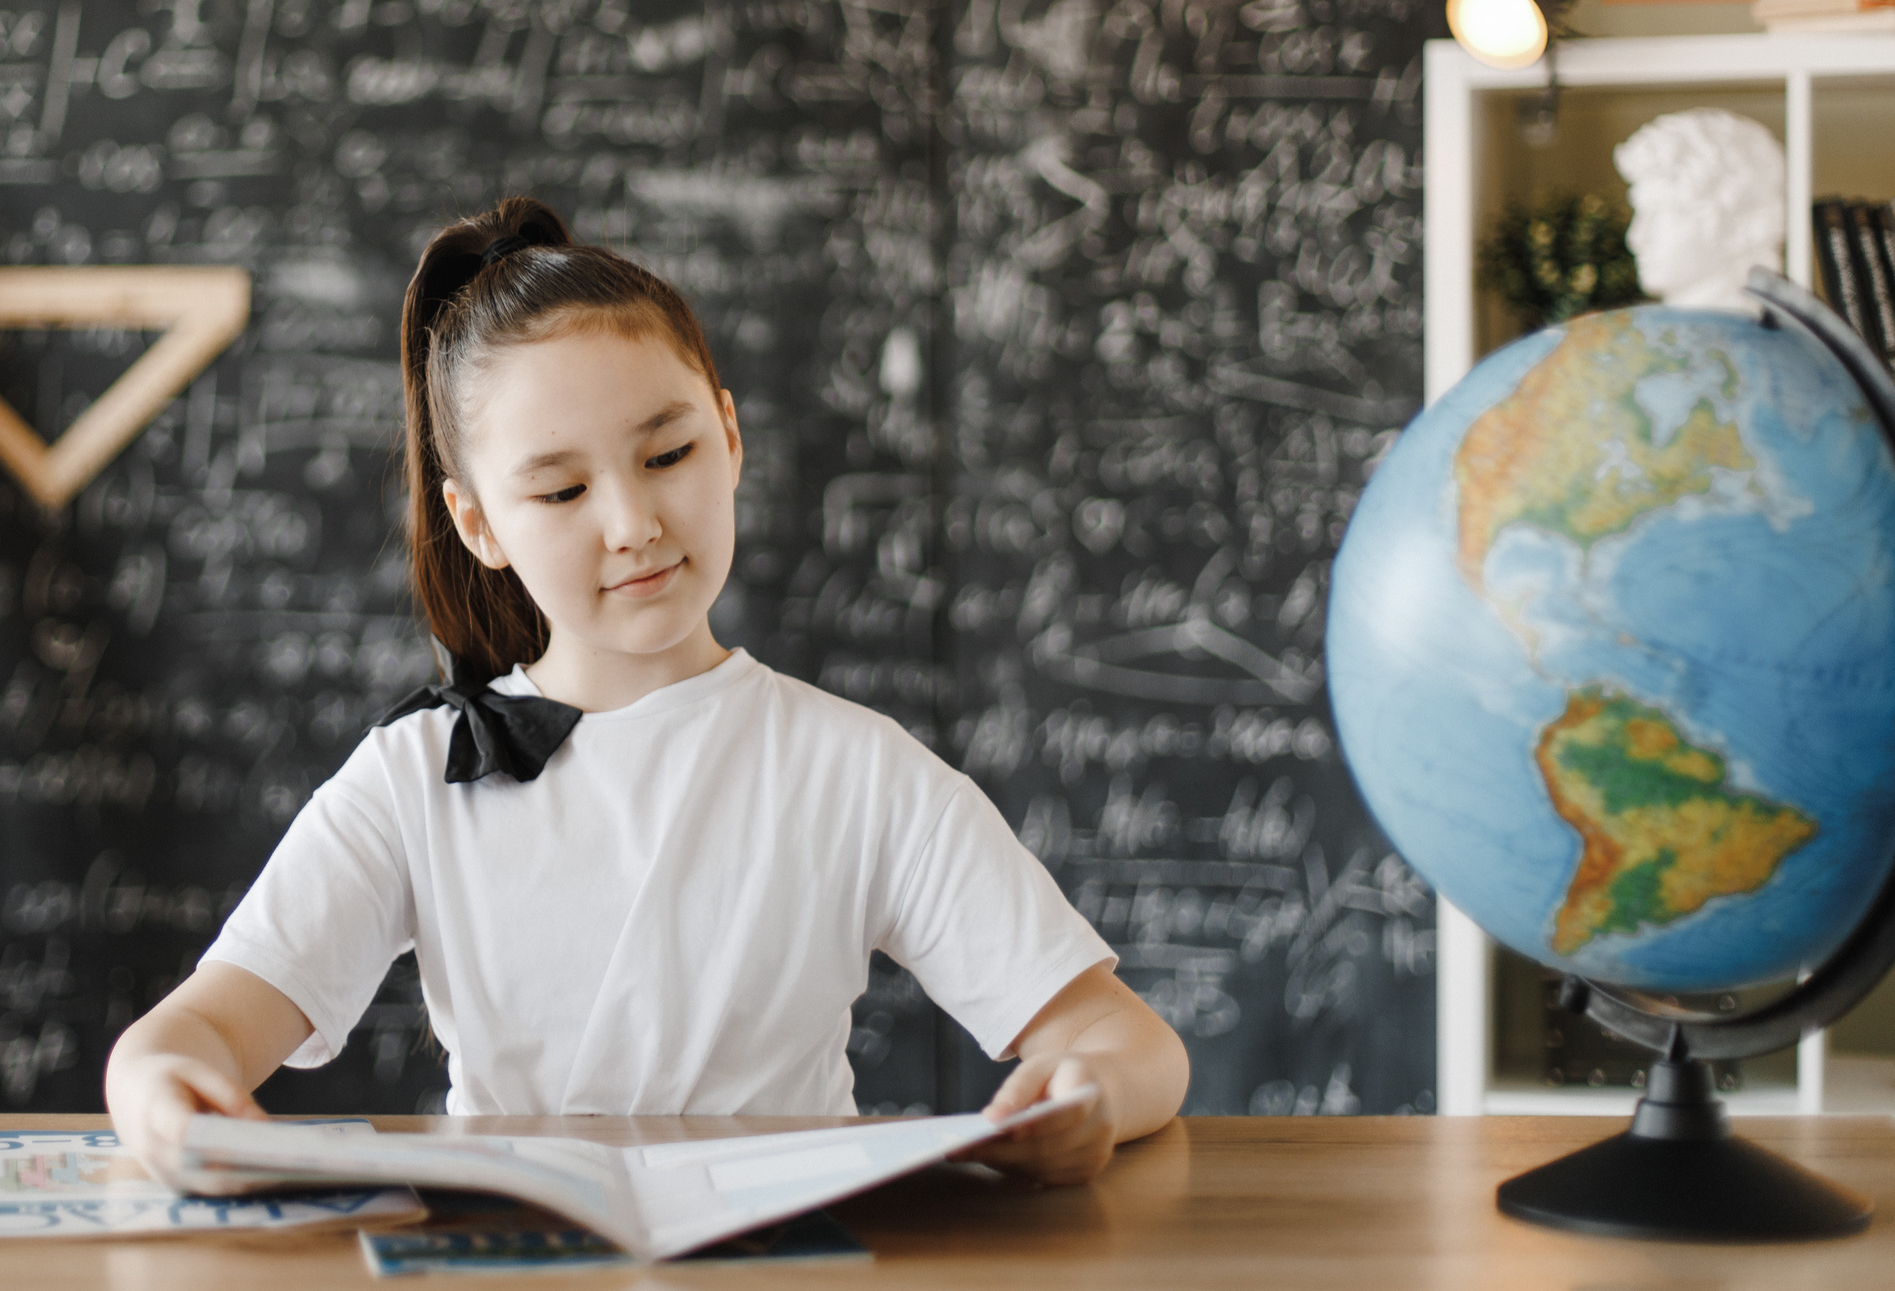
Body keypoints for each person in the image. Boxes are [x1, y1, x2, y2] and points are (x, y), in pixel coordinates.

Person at [106, 197, 1187, 1185]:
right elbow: (190, 1032)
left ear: (727, 433)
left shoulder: (855, 770)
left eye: (666, 454)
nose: (631, 523)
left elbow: (1130, 1041)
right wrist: (161, 1094)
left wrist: (1086, 1093)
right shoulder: (412, 777)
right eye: (563, 488)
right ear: (477, 522)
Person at [1613, 107, 1786, 315]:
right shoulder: (1663, 335)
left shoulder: (1740, 336)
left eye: (1661, 215)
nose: (1635, 238)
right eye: (1640, 213)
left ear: (1733, 225)